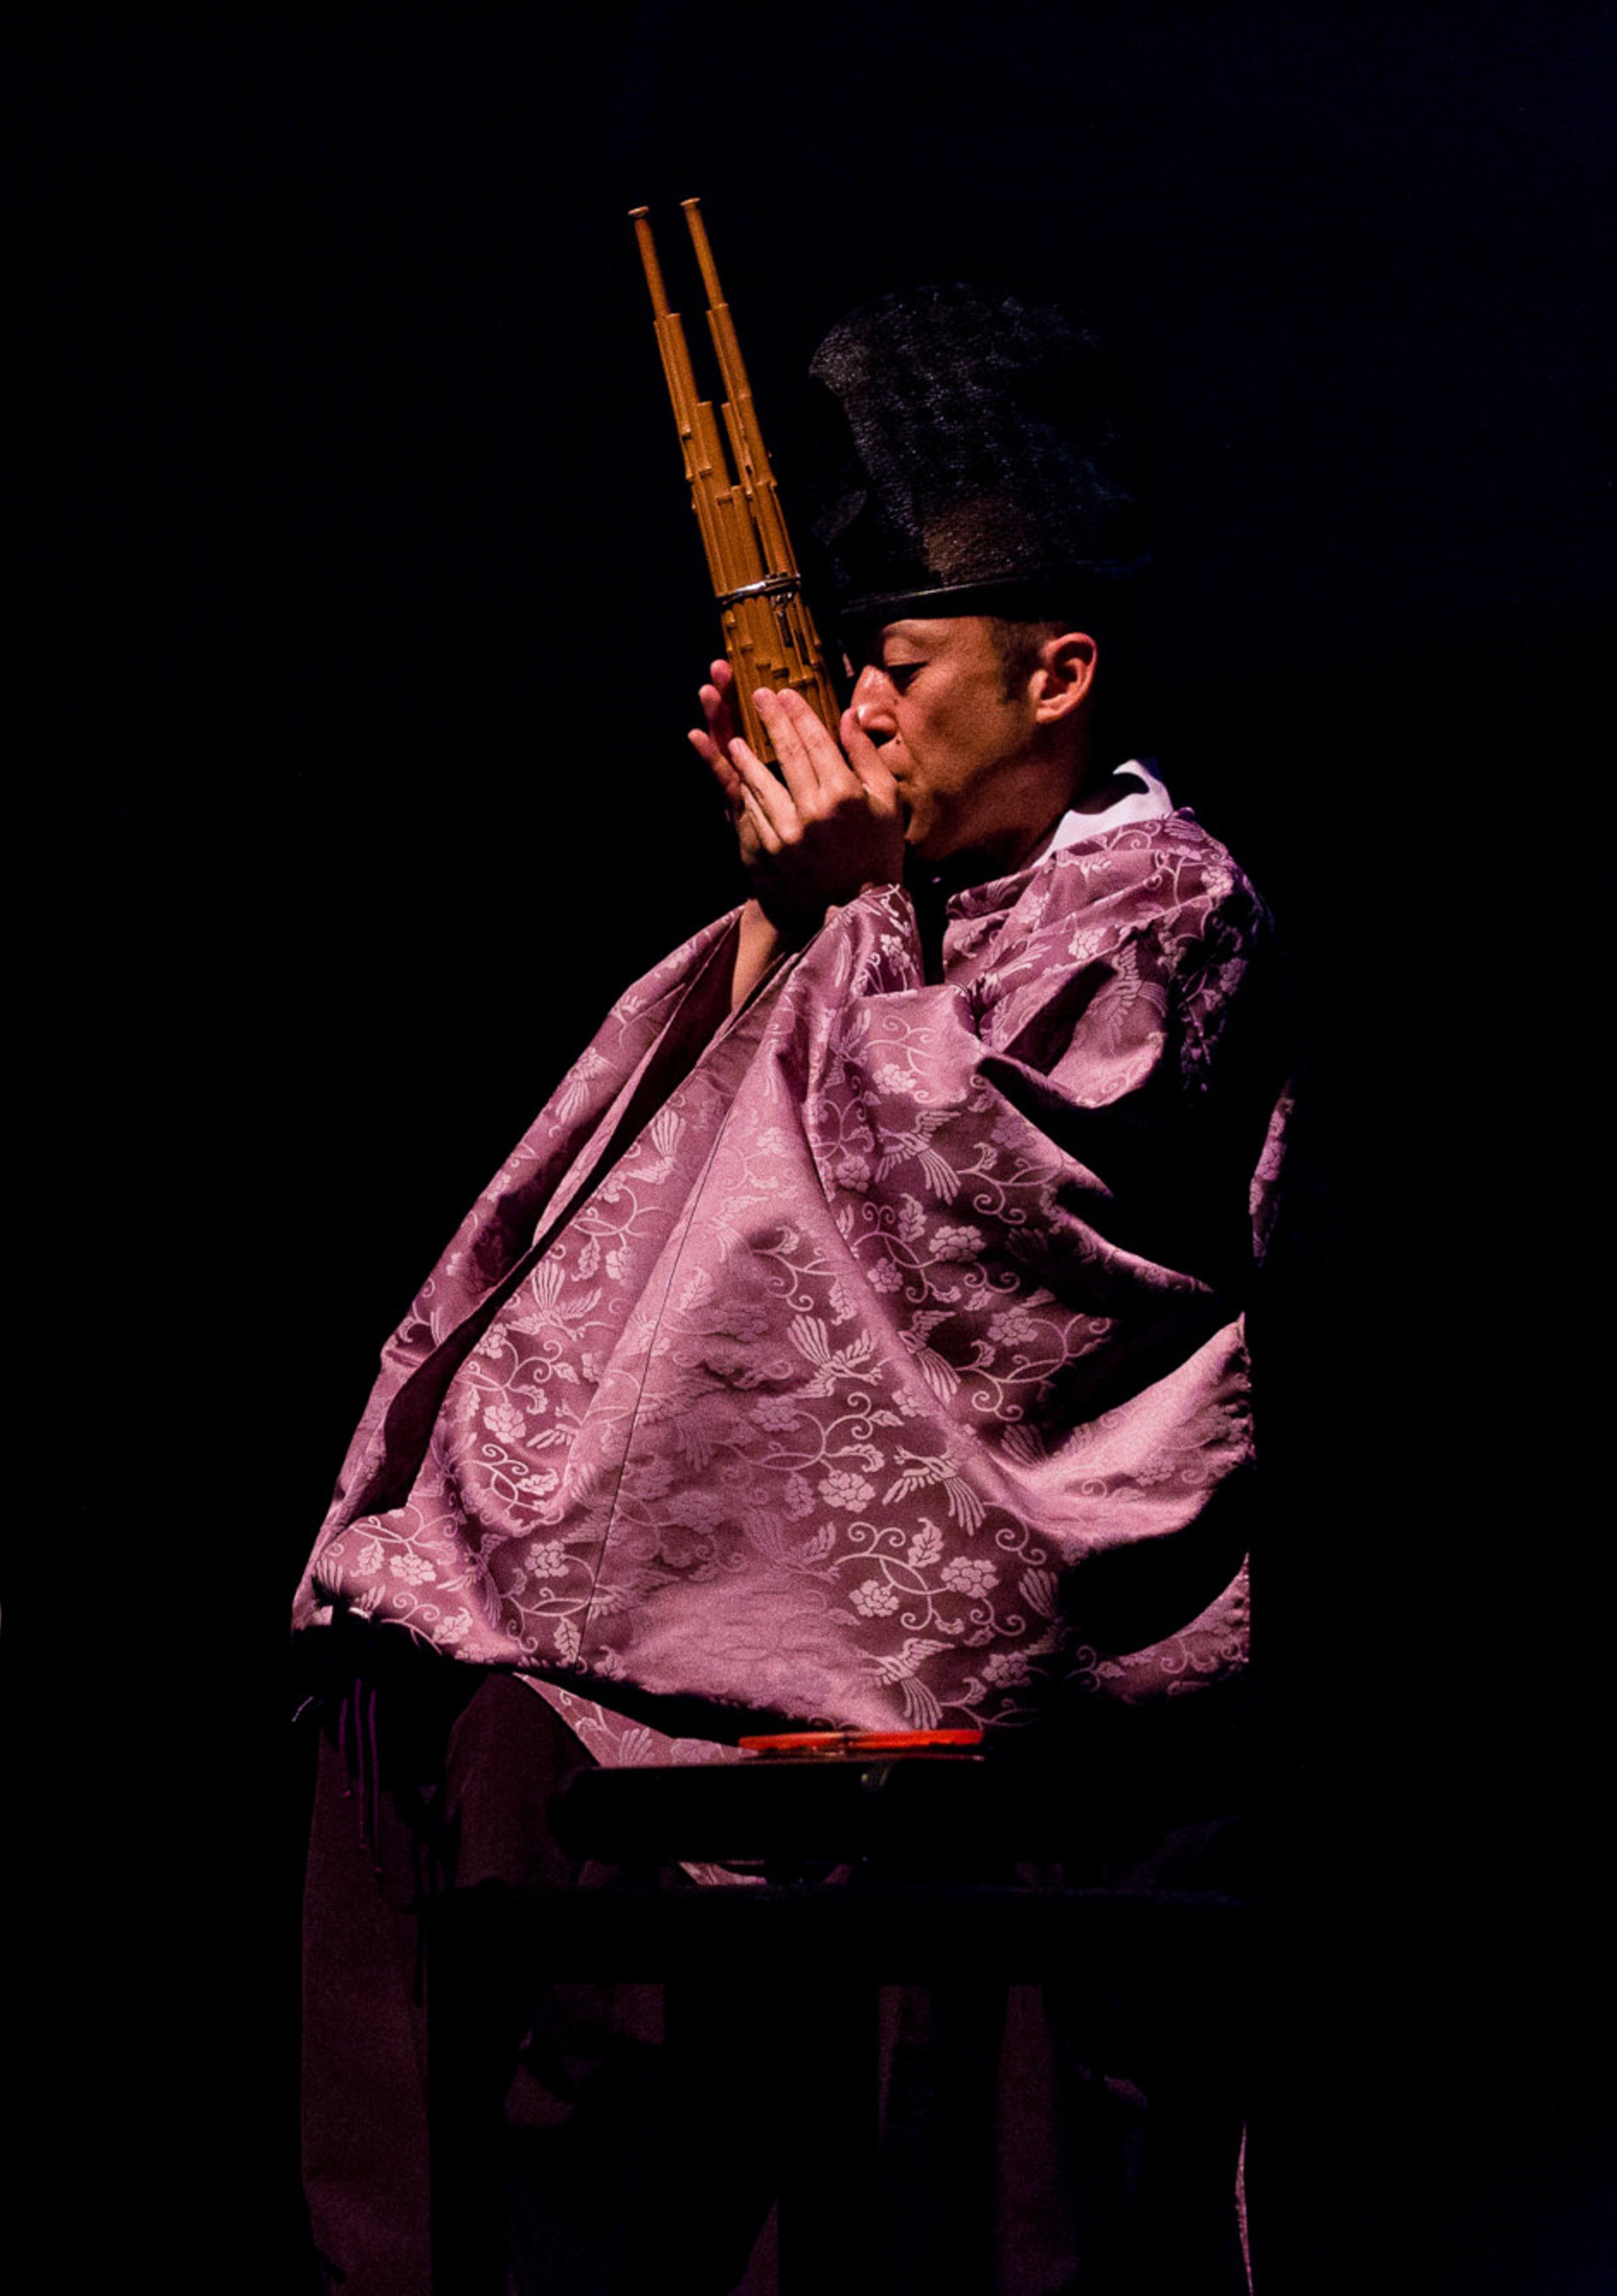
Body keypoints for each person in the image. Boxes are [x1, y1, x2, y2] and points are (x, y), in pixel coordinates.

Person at [298, 288, 1292, 2293]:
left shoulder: (1162, 898)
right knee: (451, 1715)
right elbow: (660, 1163)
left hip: (992, 1683)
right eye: (852, 674)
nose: (859, 718)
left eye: (898, 671)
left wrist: (842, 918)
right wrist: (797, 918)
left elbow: (977, 1234)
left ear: (1053, 674)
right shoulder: (896, 899)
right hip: (696, 1638)